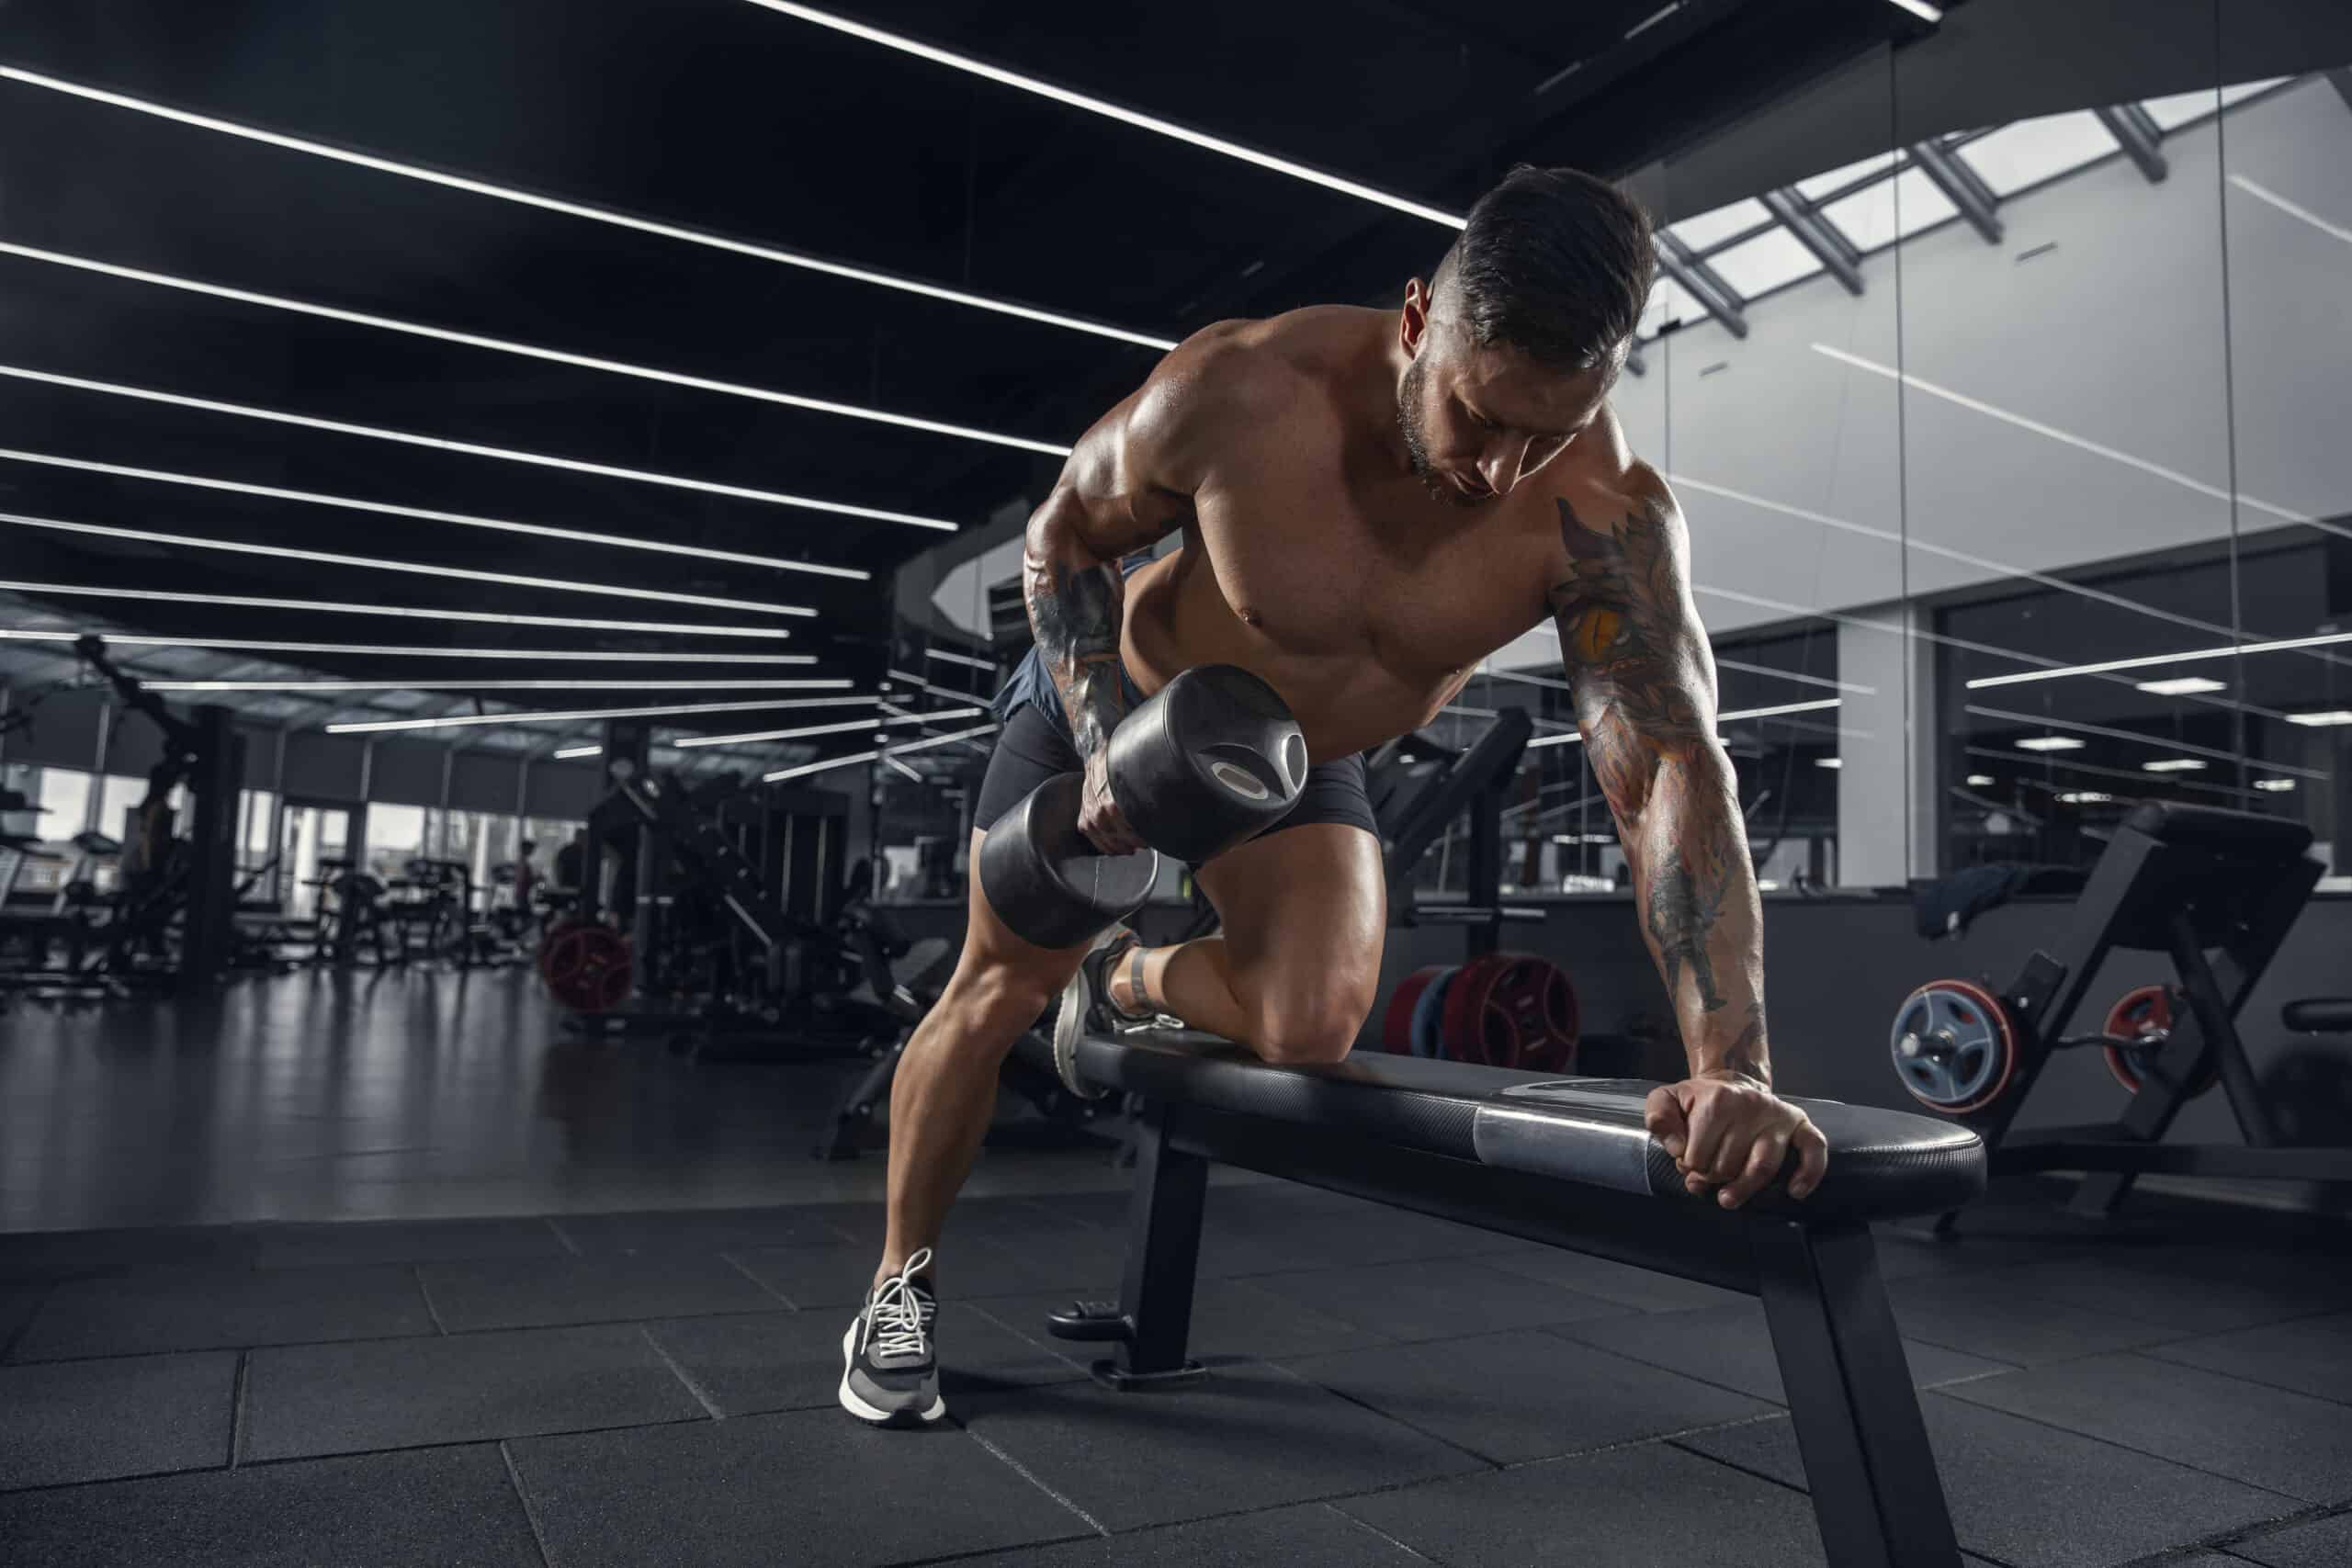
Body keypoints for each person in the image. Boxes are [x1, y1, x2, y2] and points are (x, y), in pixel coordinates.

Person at [838, 165, 1830, 1428]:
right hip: (1125, 706)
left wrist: (1730, 1065)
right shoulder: (1241, 390)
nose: (1502, 467)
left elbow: (1672, 773)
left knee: (1310, 1025)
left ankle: (1126, 987)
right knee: (992, 992)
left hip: (1297, 761)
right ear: (1418, 320)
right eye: (1480, 418)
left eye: (1551, 428)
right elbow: (1061, 539)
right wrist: (1100, 741)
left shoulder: (1601, 518)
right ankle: (899, 1286)